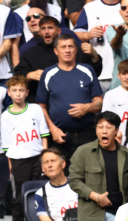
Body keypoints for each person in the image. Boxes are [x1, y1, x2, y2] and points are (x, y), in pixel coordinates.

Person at [36, 34, 103, 169]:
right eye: (63, 47)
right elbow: (40, 106)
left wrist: (87, 107)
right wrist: (52, 129)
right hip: (61, 137)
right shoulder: (48, 74)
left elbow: (99, 102)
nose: (67, 50)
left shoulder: (87, 70)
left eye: (71, 46)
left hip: (87, 135)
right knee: (64, 179)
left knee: (90, 176)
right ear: (56, 51)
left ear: (76, 50)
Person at [14, 16, 99, 103]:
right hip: (43, 104)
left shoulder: (70, 49)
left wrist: (94, 55)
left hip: (75, 101)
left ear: (58, 31)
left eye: (50, 28)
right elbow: (17, 76)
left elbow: (95, 72)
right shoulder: (31, 53)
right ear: (39, 32)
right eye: (43, 28)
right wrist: (29, 75)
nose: (46, 32)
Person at [73, 0, 123, 91]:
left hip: (125, 73)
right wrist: (88, 35)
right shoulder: (90, 8)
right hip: (99, 72)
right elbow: (75, 35)